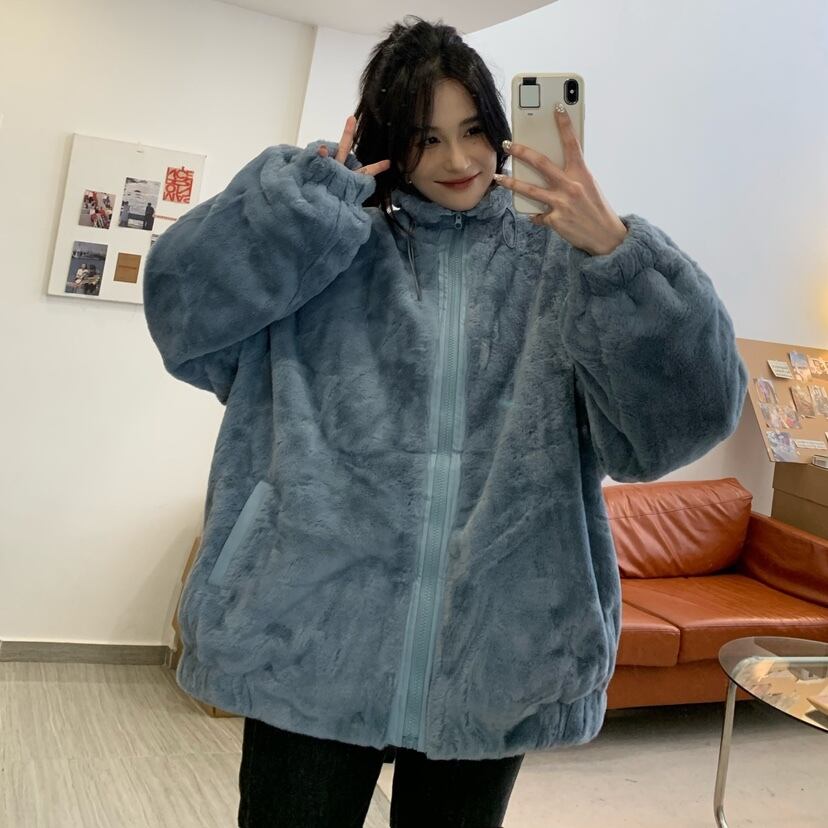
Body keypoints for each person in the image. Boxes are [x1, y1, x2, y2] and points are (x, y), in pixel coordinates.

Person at [143, 16, 747, 828]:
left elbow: (682, 424)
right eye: (426, 138)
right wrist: (293, 209)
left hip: (495, 654)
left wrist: (615, 255)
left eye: (473, 131)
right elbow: (183, 319)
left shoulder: (561, 262)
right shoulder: (330, 245)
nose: (458, 160)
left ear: (500, 130)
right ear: (389, 142)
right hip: (309, 635)